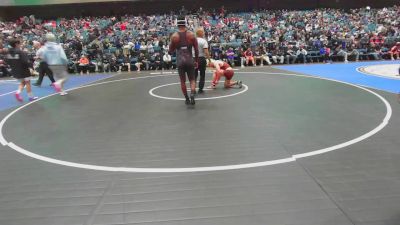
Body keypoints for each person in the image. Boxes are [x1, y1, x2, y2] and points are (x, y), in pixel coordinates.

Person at [169, 16, 199, 105]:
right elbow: (196, 50)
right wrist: (196, 60)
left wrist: (175, 46)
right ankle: (192, 93)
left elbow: (170, 51)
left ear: (177, 24)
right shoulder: (191, 35)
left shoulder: (174, 36)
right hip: (190, 60)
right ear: (185, 24)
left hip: (180, 61)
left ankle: (187, 99)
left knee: (183, 81)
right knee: (192, 79)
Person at [194, 27, 209, 94]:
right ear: (201, 34)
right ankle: (200, 89)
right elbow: (206, 52)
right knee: (202, 74)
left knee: (194, 74)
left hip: (194, 59)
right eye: (203, 32)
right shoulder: (204, 41)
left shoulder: (192, 40)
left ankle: (193, 88)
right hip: (201, 59)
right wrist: (209, 59)